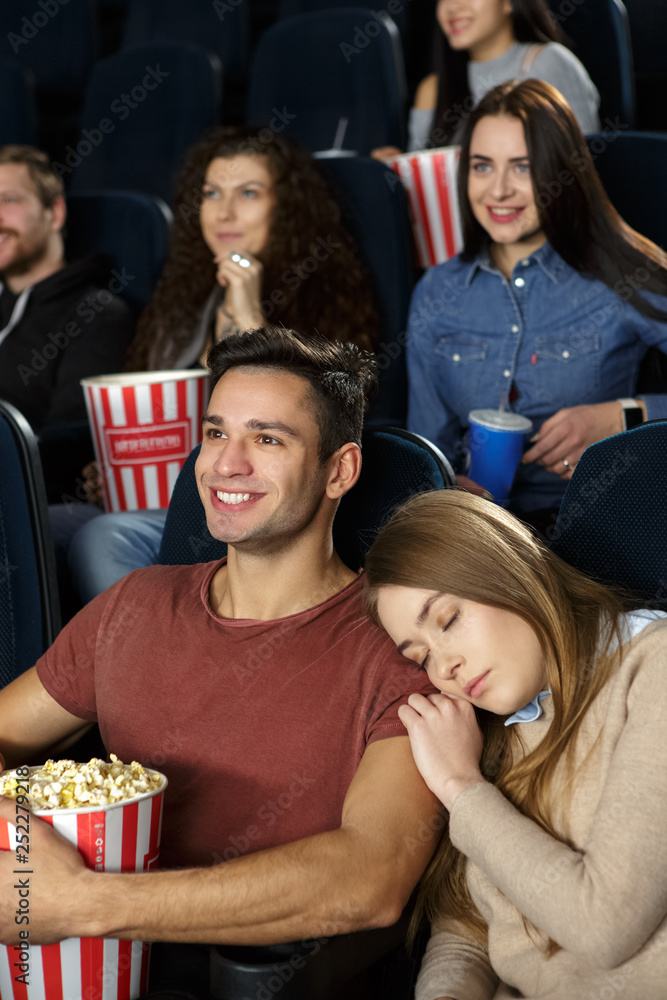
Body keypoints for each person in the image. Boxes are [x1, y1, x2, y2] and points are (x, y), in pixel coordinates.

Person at [0, 327, 439, 994]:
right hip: (80, 969)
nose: (225, 464)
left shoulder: (400, 646)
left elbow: (370, 878)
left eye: (266, 439)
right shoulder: (135, 604)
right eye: (213, 434)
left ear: (339, 471)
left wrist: (85, 903)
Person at [364, 488, 667, 1000]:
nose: (443, 669)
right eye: (420, 659)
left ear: (511, 570)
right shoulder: (489, 731)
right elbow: (468, 928)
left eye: (449, 620)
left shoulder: (653, 669)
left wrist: (462, 788)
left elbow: (604, 926)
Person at [66, 124, 380, 605]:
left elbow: (322, 415)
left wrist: (251, 311)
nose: (225, 211)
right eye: (212, 193)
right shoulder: (182, 301)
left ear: (286, 206)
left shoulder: (323, 301)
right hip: (165, 494)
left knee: (105, 537)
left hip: (250, 498)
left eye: (247, 193)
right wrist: (117, 462)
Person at [406, 78, 667, 525]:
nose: (498, 191)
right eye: (483, 166)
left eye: (523, 167)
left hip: (596, 525)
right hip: (477, 533)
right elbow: (425, 446)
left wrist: (627, 415)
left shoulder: (622, 273)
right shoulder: (438, 289)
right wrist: (442, 485)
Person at [0, 144, 136, 501]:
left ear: (54, 212)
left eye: (8, 200)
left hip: (28, 500)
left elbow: (65, 445)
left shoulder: (96, 314)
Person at [372, 0, 599, 159]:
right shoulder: (432, 88)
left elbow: (582, 168)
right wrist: (397, 168)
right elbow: (424, 184)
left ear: (508, 2)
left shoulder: (548, 62)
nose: (453, 6)